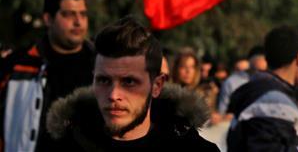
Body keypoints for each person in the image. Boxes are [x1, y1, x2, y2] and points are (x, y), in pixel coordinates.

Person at [44, 16, 218, 151]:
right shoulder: (65, 146)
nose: (113, 95)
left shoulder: (193, 149)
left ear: (156, 85)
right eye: (104, 80)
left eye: (129, 82)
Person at [0, 0, 94, 152]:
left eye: (83, 14)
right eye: (68, 14)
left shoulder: (102, 65)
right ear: (48, 19)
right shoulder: (18, 64)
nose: (78, 22)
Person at [226, 26, 298, 152]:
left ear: (266, 57)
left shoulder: (260, 88)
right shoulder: (274, 100)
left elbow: (270, 137)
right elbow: (265, 148)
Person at [217, 45, 266, 116]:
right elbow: (222, 112)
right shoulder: (231, 82)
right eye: (255, 70)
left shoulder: (273, 82)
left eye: (263, 71)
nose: (259, 75)